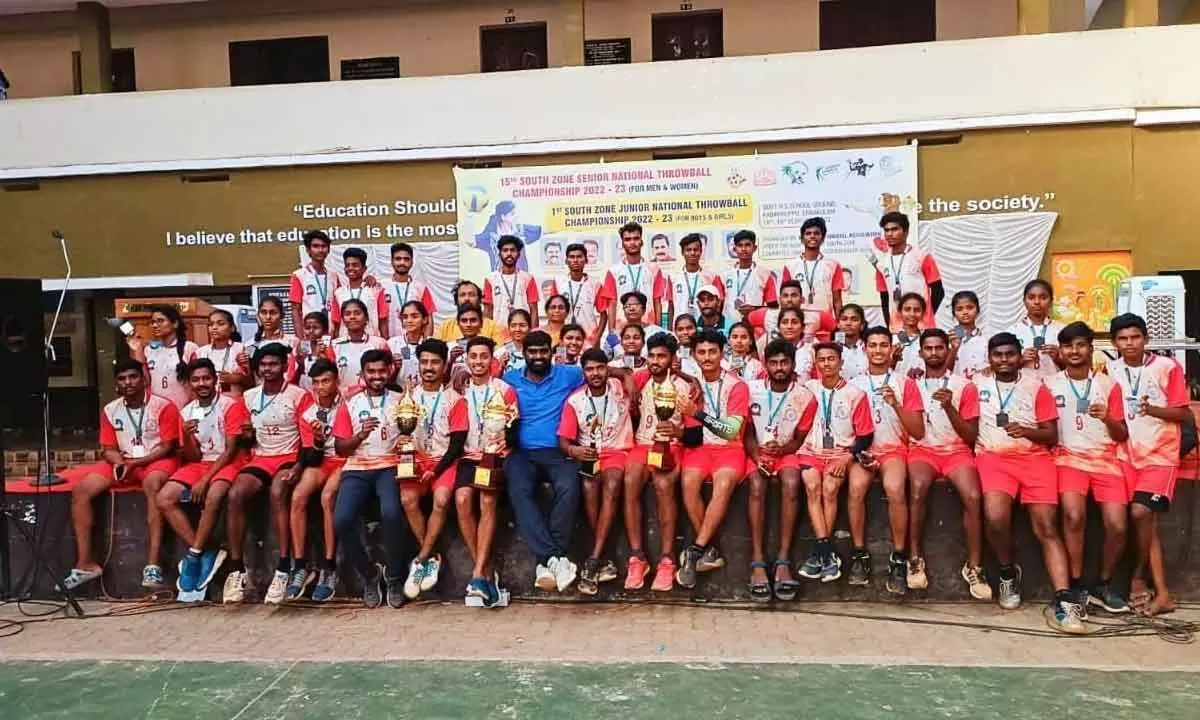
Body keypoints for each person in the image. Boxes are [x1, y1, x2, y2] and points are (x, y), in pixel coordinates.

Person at [973, 332, 1081, 633]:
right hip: (994, 458)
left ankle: (1063, 599)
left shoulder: (1037, 387)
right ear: (990, 357)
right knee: (995, 517)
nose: (1004, 360)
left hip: (1035, 459)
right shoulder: (977, 384)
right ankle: (1008, 572)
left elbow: (1050, 435)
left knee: (1046, 525)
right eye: (998, 355)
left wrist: (1028, 432)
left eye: (1010, 354)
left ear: (1020, 355)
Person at [59, 360, 181, 591]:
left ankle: (153, 565)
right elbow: (108, 448)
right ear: (116, 383)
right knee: (81, 490)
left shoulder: (163, 406)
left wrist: (136, 464)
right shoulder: (110, 409)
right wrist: (119, 463)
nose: (128, 383)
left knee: (153, 484)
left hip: (155, 460)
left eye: (133, 377)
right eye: (122, 379)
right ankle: (86, 563)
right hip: (124, 460)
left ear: (143, 379)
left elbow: (166, 446)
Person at [1107, 312, 1190, 616]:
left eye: (1135, 337)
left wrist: (1152, 409)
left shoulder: (1168, 367)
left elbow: (1184, 413)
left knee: (1140, 512)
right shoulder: (1110, 369)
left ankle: (1138, 578)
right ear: (1115, 342)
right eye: (1123, 339)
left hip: (1159, 456)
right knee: (1145, 524)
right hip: (1124, 456)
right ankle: (1162, 594)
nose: (1129, 344)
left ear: (1146, 339)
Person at [1047, 322, 1130, 614]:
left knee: (1118, 524)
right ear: (1061, 350)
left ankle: (1103, 583)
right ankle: (1077, 582)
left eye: (1080, 345)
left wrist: (1108, 418)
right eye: (1068, 346)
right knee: (1073, 515)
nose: (1074, 351)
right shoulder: (1050, 384)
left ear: (1091, 348)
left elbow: (1121, 434)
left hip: (1106, 459)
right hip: (1067, 458)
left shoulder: (1108, 385)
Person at [906, 329, 990, 600]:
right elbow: (916, 432)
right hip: (923, 450)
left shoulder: (964, 386)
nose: (933, 353)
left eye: (939, 348)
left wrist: (950, 406)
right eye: (928, 348)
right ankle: (915, 558)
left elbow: (970, 435)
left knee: (974, 496)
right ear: (920, 353)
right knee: (917, 488)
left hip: (956, 451)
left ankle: (974, 566)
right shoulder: (912, 384)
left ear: (947, 351)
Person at [225, 343, 312, 605]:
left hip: (288, 457)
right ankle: (236, 568)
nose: (268, 369)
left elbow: (307, 439)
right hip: (261, 458)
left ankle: (284, 567)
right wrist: (246, 437)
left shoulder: (299, 396)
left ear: (285, 367)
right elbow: (242, 439)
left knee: (278, 491)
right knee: (236, 494)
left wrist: (298, 466)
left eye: (274, 364)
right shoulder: (249, 396)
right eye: (263, 365)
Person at [156, 359, 248, 598]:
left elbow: (230, 450)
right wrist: (186, 437)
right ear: (189, 384)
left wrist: (205, 479)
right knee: (165, 498)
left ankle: (193, 554)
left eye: (206, 378)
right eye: (196, 380)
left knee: (215, 494)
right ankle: (204, 550)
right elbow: (193, 456)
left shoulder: (230, 405)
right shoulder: (186, 411)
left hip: (230, 460)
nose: (202, 384)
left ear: (215, 380)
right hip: (202, 462)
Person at [502, 330, 586, 592]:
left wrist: (623, 377)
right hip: (522, 454)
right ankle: (555, 558)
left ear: (552, 352)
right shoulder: (510, 378)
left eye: (543, 351)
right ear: (524, 354)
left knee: (570, 487)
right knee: (518, 490)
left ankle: (546, 560)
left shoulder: (569, 374)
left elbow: (603, 369)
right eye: (532, 352)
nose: (538, 357)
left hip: (558, 452)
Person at [847, 327, 925, 594]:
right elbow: (848, 428)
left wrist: (896, 404)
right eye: (873, 345)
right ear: (864, 349)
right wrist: (858, 451)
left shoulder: (905, 383)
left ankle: (899, 557)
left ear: (892, 349)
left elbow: (918, 431)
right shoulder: (854, 384)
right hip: (866, 451)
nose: (878, 350)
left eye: (883, 345)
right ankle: (859, 554)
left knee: (894, 489)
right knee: (855, 488)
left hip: (894, 449)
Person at [332, 348, 408, 608]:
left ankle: (395, 577)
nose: (377, 376)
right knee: (341, 519)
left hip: (389, 465)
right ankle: (370, 574)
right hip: (357, 467)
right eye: (371, 372)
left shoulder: (401, 400)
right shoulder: (351, 404)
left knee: (392, 513)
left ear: (389, 371)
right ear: (362, 374)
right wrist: (359, 436)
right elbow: (341, 447)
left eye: (381, 371)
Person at [676, 328, 751, 588]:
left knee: (723, 485)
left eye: (712, 352)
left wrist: (697, 413)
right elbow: (693, 435)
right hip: (700, 450)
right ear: (694, 356)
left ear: (722, 353)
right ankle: (709, 549)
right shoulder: (691, 385)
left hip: (730, 448)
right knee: (688, 485)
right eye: (701, 352)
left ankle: (696, 549)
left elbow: (731, 431)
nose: (707, 357)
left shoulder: (737, 385)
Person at [621, 332, 694, 591]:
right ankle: (637, 556)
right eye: (651, 356)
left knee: (664, 486)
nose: (655, 361)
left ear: (672, 359)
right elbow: (611, 370)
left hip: (672, 445)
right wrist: (627, 376)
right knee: (629, 480)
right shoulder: (641, 377)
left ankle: (667, 559)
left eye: (661, 356)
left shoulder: (685, 388)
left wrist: (679, 432)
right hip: (643, 443)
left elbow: (695, 432)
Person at [558, 348, 635, 595]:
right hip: (589, 455)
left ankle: (592, 559)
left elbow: (649, 370)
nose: (596, 373)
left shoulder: (620, 388)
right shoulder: (575, 400)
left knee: (612, 484)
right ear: (584, 372)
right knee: (589, 486)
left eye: (600, 368)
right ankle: (603, 556)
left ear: (607, 368)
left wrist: (624, 375)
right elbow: (564, 441)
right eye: (589, 369)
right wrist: (574, 452)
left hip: (618, 451)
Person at [744, 339, 816, 601]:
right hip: (756, 453)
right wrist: (757, 455)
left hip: (786, 453)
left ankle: (784, 559)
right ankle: (758, 560)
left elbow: (799, 438)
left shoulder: (805, 396)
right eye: (773, 363)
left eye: (784, 362)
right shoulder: (751, 390)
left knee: (791, 482)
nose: (779, 368)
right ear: (765, 365)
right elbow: (747, 433)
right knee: (756, 485)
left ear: (793, 365)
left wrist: (782, 450)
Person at [796, 343, 873, 583]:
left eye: (831, 359)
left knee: (830, 489)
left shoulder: (855, 394)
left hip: (840, 452)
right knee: (811, 487)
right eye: (822, 359)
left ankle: (819, 554)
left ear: (841, 362)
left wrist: (848, 456)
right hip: (810, 450)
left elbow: (865, 435)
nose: (826, 363)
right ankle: (826, 552)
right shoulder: (807, 389)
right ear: (815, 363)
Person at [401, 339, 469, 600]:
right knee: (408, 499)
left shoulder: (455, 399)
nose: (429, 367)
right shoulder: (409, 398)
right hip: (416, 460)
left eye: (435, 362)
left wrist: (436, 469)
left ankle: (420, 560)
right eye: (424, 362)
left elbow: (457, 443)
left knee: (441, 500)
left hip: (445, 461)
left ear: (445, 366)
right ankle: (433, 555)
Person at [456, 337, 519, 607]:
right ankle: (485, 569)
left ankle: (477, 574)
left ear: (492, 359)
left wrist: (508, 439)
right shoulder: (459, 389)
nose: (478, 362)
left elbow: (514, 427)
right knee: (461, 501)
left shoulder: (505, 390)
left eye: (484, 356)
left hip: (495, 456)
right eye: (474, 357)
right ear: (467, 359)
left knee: (487, 500)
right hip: (468, 456)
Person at [288, 358, 345, 601]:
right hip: (323, 461)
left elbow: (350, 447)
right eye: (317, 383)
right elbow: (311, 456)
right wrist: (319, 442)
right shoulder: (309, 413)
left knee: (327, 496)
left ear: (336, 381)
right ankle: (300, 565)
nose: (321, 387)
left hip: (346, 460)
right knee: (299, 496)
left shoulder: (350, 404)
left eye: (326, 381)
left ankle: (329, 566)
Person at [870, 212, 943, 332]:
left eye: (894, 229)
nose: (889, 234)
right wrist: (890, 325)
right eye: (886, 230)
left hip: (923, 326)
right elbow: (884, 298)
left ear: (906, 232)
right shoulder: (881, 262)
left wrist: (927, 315)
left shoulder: (922, 257)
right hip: (897, 328)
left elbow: (938, 291)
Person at [127, 303, 199, 410]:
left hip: (185, 410)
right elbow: (144, 382)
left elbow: (198, 382)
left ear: (175, 323)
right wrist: (138, 350)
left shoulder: (190, 348)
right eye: (153, 322)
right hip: (157, 410)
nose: (155, 325)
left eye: (160, 321)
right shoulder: (148, 350)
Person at [599, 222, 666, 334]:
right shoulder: (613, 271)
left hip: (648, 326)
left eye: (636, 238)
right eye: (628, 239)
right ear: (623, 243)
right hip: (622, 328)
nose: (632, 243)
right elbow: (612, 304)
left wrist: (658, 329)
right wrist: (611, 333)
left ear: (641, 241)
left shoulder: (654, 269)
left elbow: (657, 301)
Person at [747, 280, 836, 350]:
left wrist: (829, 349)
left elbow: (837, 327)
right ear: (779, 300)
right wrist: (753, 351)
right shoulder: (766, 315)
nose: (789, 299)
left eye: (794, 295)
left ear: (802, 299)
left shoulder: (816, 316)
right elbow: (744, 324)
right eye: (785, 296)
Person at [782, 217, 845, 315]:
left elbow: (837, 300)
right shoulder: (790, 266)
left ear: (823, 239)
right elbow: (785, 299)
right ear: (802, 239)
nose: (812, 236)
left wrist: (839, 325)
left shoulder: (833, 265)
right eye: (808, 233)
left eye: (816, 233)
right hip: (799, 319)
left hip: (825, 320)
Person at [326, 299, 389, 393]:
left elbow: (389, 371)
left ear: (366, 318)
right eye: (347, 314)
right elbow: (329, 376)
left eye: (357, 313)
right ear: (343, 319)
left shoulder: (379, 343)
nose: (352, 317)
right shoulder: (334, 346)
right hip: (343, 398)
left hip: (374, 396)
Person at [1006, 279, 1065, 380]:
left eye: (1043, 297)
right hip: (1022, 387)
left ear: (1051, 301)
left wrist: (1058, 358)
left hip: (1056, 386)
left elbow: (1075, 365)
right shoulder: (1012, 332)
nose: (1037, 302)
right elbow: (1003, 366)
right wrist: (1020, 360)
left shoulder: (1062, 330)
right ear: (1024, 301)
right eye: (1031, 297)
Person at [548, 242, 605, 344]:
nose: (575, 260)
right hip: (563, 338)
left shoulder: (595, 284)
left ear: (586, 260)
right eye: (572, 257)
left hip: (589, 338)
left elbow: (604, 314)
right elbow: (552, 313)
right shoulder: (558, 282)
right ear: (566, 261)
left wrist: (597, 337)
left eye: (579, 257)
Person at [719, 229, 778, 325]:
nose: (743, 249)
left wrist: (755, 309)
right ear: (734, 249)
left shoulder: (765, 274)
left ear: (754, 248)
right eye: (740, 245)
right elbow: (718, 305)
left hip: (756, 325)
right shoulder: (724, 275)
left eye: (747, 245)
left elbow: (773, 307)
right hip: (729, 326)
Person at [289, 230, 343, 334]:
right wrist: (300, 338)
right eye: (316, 246)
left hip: (331, 333)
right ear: (308, 250)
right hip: (310, 332)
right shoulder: (299, 275)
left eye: (324, 246)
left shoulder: (334, 276)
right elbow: (296, 310)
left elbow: (339, 305)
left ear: (328, 250)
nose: (320, 250)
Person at [380, 242, 436, 339]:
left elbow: (429, 319)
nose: (402, 262)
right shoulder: (381, 287)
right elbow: (380, 318)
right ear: (392, 261)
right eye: (398, 259)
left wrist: (426, 343)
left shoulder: (420, 288)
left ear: (412, 262)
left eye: (406, 259)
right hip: (390, 342)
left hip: (415, 343)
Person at [483, 235, 540, 328]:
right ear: (499, 254)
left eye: (512, 250)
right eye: (505, 250)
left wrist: (533, 334)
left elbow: (533, 310)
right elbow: (487, 310)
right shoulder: (490, 279)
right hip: (499, 333)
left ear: (518, 254)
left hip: (522, 332)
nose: (509, 253)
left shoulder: (528, 278)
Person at [330, 247, 386, 338]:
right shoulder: (338, 293)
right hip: (345, 343)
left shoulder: (375, 290)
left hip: (371, 342)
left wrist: (384, 343)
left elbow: (383, 321)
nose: (350, 268)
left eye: (355, 265)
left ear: (364, 268)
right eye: (347, 265)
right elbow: (336, 324)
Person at [473, 200, 542, 270]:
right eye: (512, 214)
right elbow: (471, 241)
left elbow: (541, 231)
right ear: (503, 217)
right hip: (499, 278)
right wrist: (471, 214)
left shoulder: (520, 230)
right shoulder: (491, 238)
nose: (516, 216)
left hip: (521, 278)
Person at [668, 233, 722, 321]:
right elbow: (671, 305)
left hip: (704, 326)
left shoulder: (711, 277)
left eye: (696, 250)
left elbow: (718, 304)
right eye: (688, 250)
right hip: (681, 327)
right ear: (682, 252)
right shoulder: (673, 277)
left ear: (701, 252)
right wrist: (670, 330)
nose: (692, 253)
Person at [196, 309, 248, 397]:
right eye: (211, 324)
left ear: (232, 328)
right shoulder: (200, 352)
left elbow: (252, 381)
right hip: (208, 401)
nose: (214, 327)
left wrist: (235, 379)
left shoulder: (241, 349)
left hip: (234, 401)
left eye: (220, 324)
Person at [435, 281, 504, 343]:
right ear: (456, 300)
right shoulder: (446, 327)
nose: (467, 299)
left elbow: (499, 354)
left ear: (479, 300)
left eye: (471, 295)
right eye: (462, 295)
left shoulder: (493, 327)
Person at [385, 300, 429, 387]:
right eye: (405, 317)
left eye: (414, 316)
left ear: (424, 319)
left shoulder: (431, 344)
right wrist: (395, 368)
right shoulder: (393, 344)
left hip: (424, 393)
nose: (409, 320)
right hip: (398, 392)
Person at [947, 291, 987, 379]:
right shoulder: (948, 339)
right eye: (959, 309)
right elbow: (945, 371)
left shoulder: (986, 338)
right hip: (955, 387)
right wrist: (954, 349)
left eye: (970, 307)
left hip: (980, 387)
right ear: (954, 313)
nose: (965, 312)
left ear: (978, 310)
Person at [295, 311, 333, 390]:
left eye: (316, 328)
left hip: (321, 386)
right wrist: (299, 360)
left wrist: (322, 355)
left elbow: (330, 369)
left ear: (324, 330)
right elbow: (299, 371)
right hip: (304, 386)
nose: (311, 331)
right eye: (307, 328)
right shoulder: (303, 345)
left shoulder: (328, 346)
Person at [892, 293, 928, 377]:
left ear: (923, 313)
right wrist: (893, 360)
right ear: (900, 312)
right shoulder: (892, 340)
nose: (912, 314)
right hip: (898, 386)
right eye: (907, 309)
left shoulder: (927, 339)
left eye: (917, 310)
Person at [836, 304, 868, 380]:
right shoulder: (831, 349)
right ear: (838, 324)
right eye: (844, 319)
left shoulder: (869, 348)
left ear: (862, 325)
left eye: (854, 319)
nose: (848, 323)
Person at [496, 308, 531, 374]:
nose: (517, 329)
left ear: (530, 327)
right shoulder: (500, 354)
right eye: (513, 325)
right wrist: (500, 367)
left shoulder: (536, 352)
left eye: (522, 325)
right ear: (509, 328)